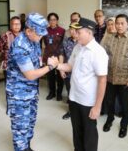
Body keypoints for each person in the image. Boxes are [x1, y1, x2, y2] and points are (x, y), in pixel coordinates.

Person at [6, 12, 59, 151]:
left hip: (31, 91)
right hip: (19, 94)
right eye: (39, 34)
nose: (41, 36)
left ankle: (27, 147)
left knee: (29, 123)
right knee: (20, 128)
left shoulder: (33, 40)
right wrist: (50, 66)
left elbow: (36, 63)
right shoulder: (20, 46)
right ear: (28, 30)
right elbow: (30, 75)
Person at [55, 18, 108, 151]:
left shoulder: (98, 52)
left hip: (88, 101)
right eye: (74, 32)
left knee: (89, 133)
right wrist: (56, 65)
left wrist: (97, 106)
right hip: (74, 97)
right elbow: (69, 66)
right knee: (76, 130)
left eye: (78, 32)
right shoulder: (78, 47)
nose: (75, 35)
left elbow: (102, 80)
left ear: (89, 33)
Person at [102, 14, 128, 138]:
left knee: (124, 105)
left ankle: (124, 125)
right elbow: (102, 55)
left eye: (122, 23)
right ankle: (110, 119)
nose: (118, 26)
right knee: (110, 102)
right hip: (110, 78)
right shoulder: (109, 38)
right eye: (117, 23)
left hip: (125, 80)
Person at [43, 12, 65, 101]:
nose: (52, 21)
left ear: (57, 20)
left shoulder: (62, 30)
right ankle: (52, 92)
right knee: (50, 76)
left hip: (59, 56)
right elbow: (45, 43)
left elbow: (63, 44)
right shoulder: (45, 31)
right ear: (48, 21)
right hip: (49, 56)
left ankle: (59, 93)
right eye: (50, 20)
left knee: (60, 75)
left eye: (54, 19)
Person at [59, 23, 78, 120]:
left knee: (79, 93)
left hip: (80, 74)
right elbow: (61, 54)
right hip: (68, 72)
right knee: (70, 92)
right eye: (71, 29)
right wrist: (61, 69)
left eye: (75, 29)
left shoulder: (82, 42)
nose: (73, 31)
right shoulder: (65, 41)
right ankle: (71, 111)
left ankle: (79, 112)